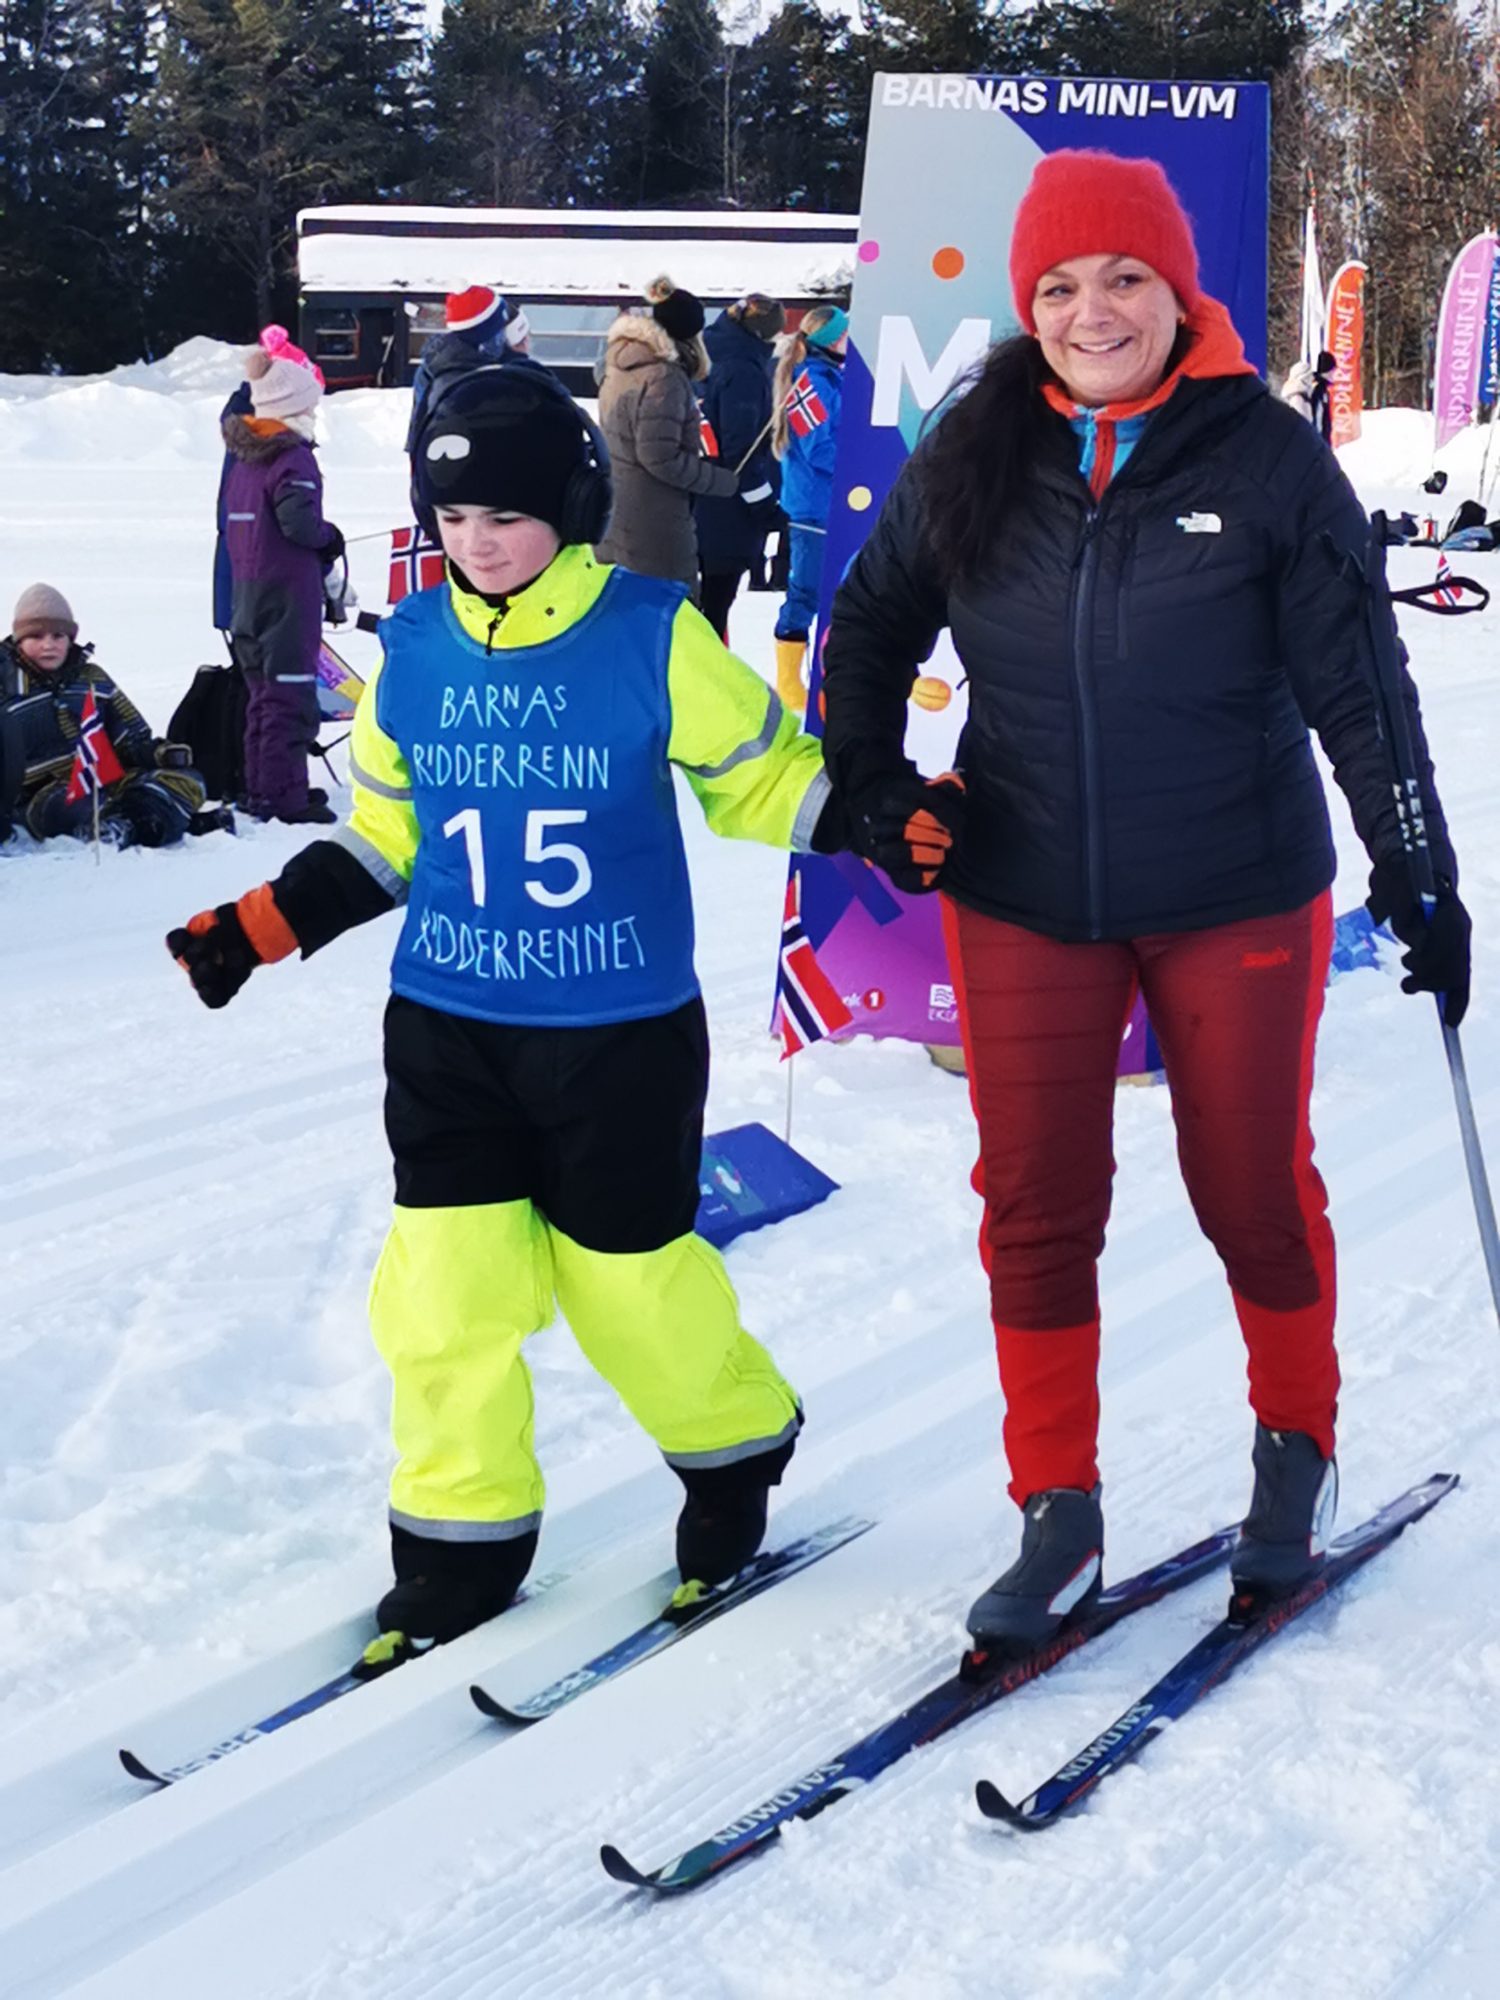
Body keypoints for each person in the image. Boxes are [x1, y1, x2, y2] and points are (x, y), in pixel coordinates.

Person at [820, 149, 1469, 1651]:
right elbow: (869, 623)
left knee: (1251, 1190)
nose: (1092, 312)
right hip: (1024, 886)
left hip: (1233, 888)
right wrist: (874, 789)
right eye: (1057, 286)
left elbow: (1362, 686)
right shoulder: (976, 446)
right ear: (1026, 301)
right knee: (1037, 1206)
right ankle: (1056, 1508)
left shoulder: (1265, 458)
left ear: (1179, 293)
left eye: (1125, 279)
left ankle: (1295, 1448)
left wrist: (1418, 865)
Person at [166, 364, 846, 1661]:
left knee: (626, 1285)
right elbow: (388, 834)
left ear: (570, 511)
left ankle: (735, 1448)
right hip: (450, 1024)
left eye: (507, 516)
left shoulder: (651, 632)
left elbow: (762, 780)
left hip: (618, 1029)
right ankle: (459, 1541)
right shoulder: (415, 648)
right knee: (443, 1295)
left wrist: (880, 816)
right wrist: (259, 924)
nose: (476, 541)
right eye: (455, 515)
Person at [222, 329, 344, 825]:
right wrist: (330, 538)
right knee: (288, 698)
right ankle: (283, 799)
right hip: (286, 599)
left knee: (262, 698)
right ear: (294, 406)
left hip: (247, 596)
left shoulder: (244, 460)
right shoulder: (291, 456)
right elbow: (300, 524)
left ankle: (264, 788)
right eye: (310, 404)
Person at [0, 583, 210, 847]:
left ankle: (133, 825)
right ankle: (163, 823)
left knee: (189, 781)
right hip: (39, 795)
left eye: (58, 636)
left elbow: (131, 738)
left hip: (106, 779)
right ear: (19, 640)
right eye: (36, 636)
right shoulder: (5, 687)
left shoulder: (92, 680)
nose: (48, 645)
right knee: (72, 806)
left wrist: (160, 754)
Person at [595, 276, 740, 590]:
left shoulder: (620, 363)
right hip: (654, 524)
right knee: (671, 609)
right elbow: (659, 457)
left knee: (623, 606)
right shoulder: (663, 377)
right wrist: (719, 480)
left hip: (617, 511)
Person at [771, 304, 849, 713]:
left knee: (834, 590)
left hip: (828, 502)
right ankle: (789, 681)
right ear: (829, 341)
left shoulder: (832, 377)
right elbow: (819, 448)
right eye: (845, 334)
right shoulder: (811, 382)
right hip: (815, 505)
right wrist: (856, 470)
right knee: (807, 591)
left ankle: (828, 674)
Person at [695, 293, 785, 641]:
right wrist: (765, 507)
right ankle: (708, 670)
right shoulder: (743, 371)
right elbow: (741, 451)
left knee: (700, 605)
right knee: (716, 605)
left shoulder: (707, 353)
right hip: (727, 507)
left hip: (698, 492)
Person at [404, 285, 533, 456]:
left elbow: (416, 437)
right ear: (491, 334)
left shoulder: (433, 367)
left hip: (433, 465)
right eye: (501, 329)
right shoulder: (491, 378)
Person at [1282, 348, 1336, 444]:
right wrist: (1320, 441)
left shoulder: (1307, 392)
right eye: (1333, 370)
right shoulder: (1302, 396)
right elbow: (1315, 418)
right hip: (1312, 442)